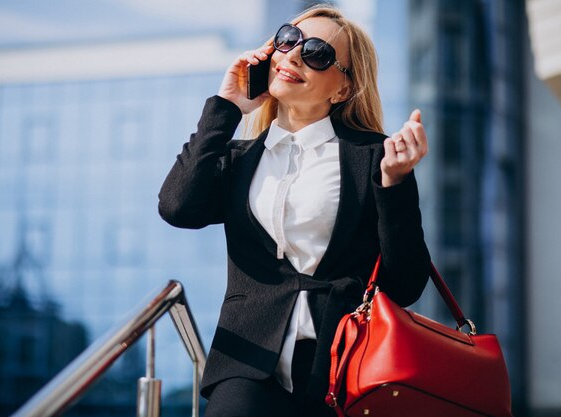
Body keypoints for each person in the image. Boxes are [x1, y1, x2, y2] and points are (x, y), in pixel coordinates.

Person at [158, 4, 431, 417]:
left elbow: (406, 283)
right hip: (246, 363)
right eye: (288, 39)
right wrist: (226, 106)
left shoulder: (373, 157)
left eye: (318, 53)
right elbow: (177, 207)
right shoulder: (239, 160)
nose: (295, 55)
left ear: (341, 89)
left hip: (345, 368)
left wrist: (394, 183)